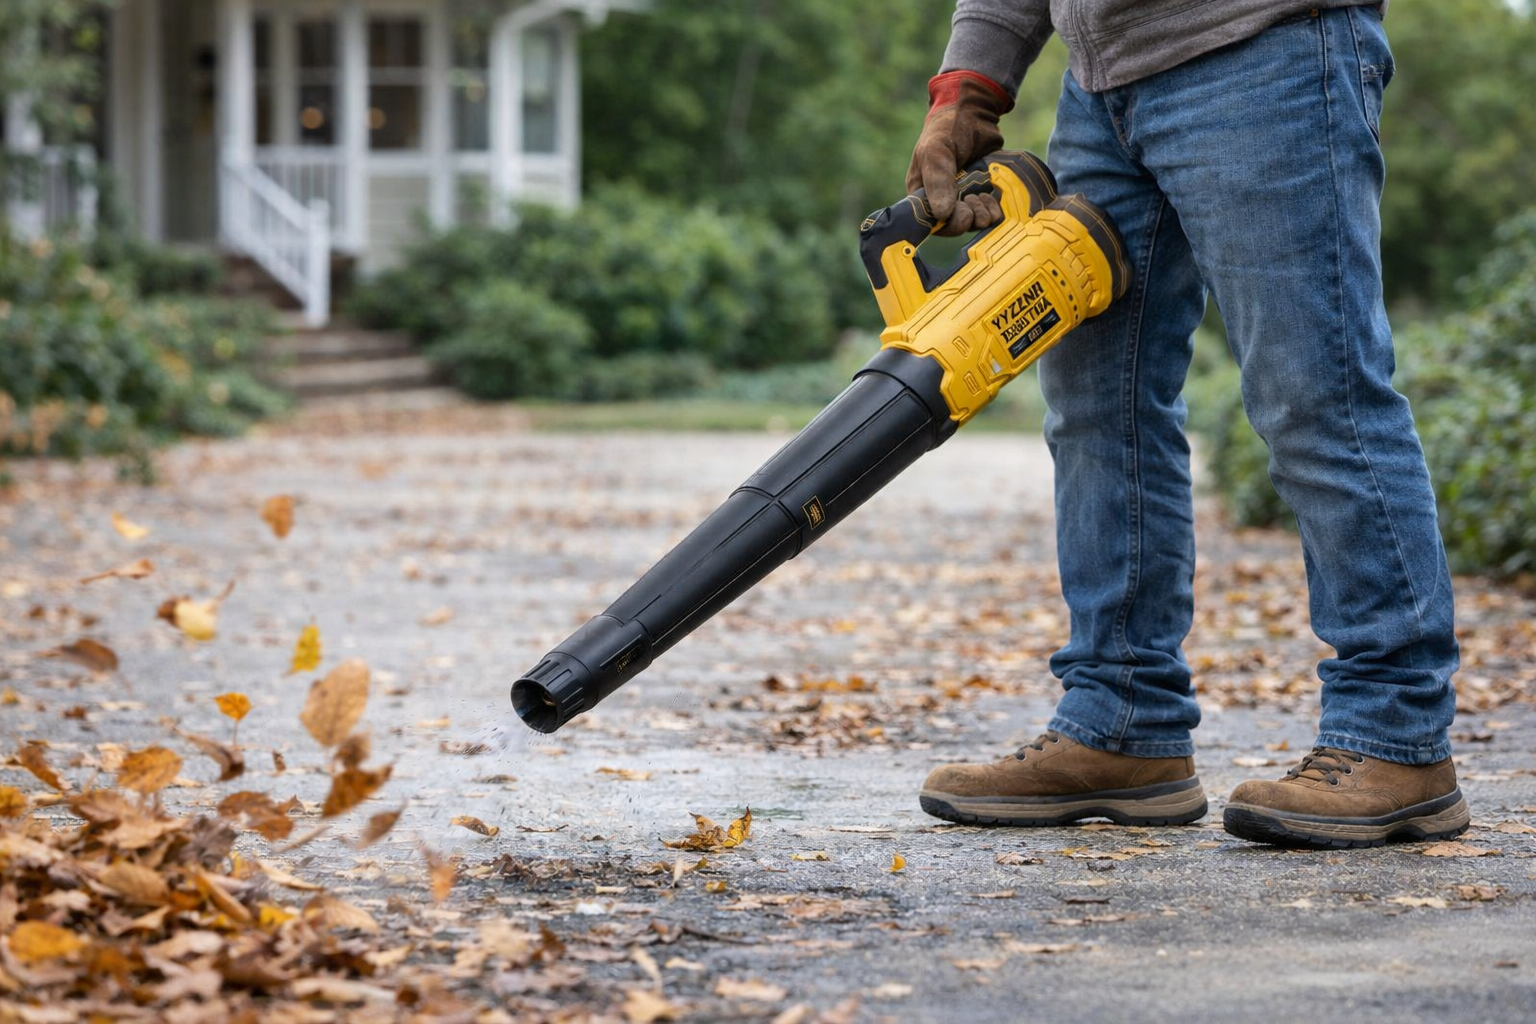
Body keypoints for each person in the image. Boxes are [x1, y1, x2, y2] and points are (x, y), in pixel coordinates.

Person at [909, 1, 1471, 848]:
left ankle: (1397, 735)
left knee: (1315, 393)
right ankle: (1120, 722)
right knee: (1097, 407)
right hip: (1102, 90)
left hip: (1262, 48)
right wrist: (969, 86)